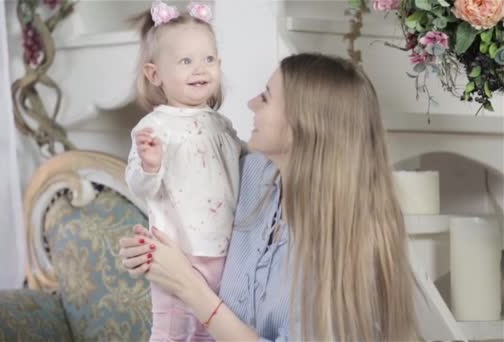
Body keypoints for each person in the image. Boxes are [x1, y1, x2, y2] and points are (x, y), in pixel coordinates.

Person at [120, 52, 419, 341]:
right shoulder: (251, 175)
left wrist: (188, 286)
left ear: (302, 124)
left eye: (265, 97)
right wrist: (150, 251)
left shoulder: (352, 243)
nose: (251, 104)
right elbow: (190, 210)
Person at [125, 1, 243, 341]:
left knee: (213, 327)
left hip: (226, 249)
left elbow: (242, 170)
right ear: (154, 74)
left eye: (208, 59)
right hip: (178, 251)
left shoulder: (221, 125)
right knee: (172, 330)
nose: (200, 69)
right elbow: (138, 185)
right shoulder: (155, 128)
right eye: (185, 61)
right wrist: (150, 165)